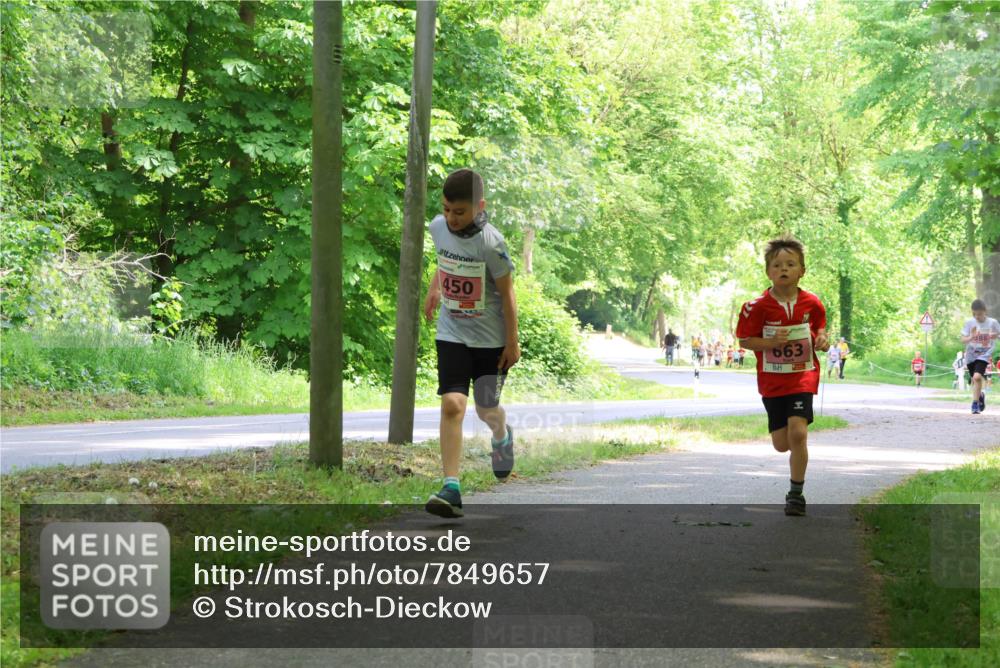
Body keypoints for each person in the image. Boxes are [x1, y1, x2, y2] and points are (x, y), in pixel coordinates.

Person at [422, 169, 519, 518]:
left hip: (491, 340)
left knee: (485, 409)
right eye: (446, 209)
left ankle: (501, 434)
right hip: (452, 332)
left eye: (459, 212)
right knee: (452, 404)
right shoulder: (437, 227)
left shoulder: (492, 243)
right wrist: (435, 287)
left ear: (480, 207)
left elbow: (508, 295)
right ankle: (451, 487)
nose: (451, 218)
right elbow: (445, 258)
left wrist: (512, 342)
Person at [736, 234, 829, 517]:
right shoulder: (756, 307)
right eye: (777, 265)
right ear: (768, 272)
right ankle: (791, 464)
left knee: (798, 433)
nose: (784, 270)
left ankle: (795, 494)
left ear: (802, 270)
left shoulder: (812, 303)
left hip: (803, 376)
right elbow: (745, 340)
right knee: (781, 444)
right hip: (773, 381)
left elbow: (820, 330)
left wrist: (822, 339)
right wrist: (769, 344)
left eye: (790, 264)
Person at [961, 298, 1000, 415]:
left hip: (984, 354)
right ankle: (980, 396)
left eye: (980, 314)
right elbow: (963, 339)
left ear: (985, 311)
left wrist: (995, 335)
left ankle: (975, 404)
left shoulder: (992, 322)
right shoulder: (969, 323)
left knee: (977, 377)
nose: (977, 317)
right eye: (974, 314)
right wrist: (971, 337)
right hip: (971, 355)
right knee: (974, 379)